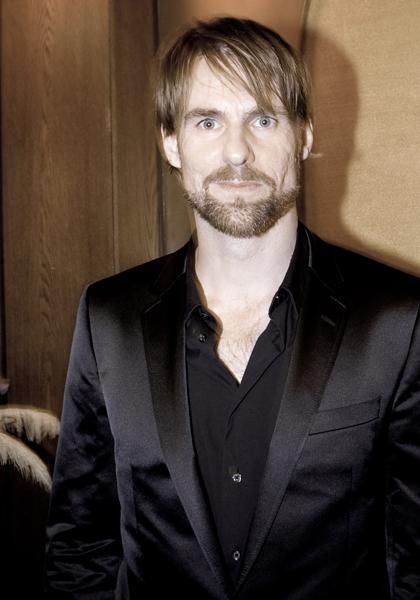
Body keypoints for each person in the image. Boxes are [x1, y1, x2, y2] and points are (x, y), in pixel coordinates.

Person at [45, 17, 420, 599]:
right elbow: (80, 549)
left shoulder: (398, 320)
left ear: (304, 135)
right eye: (208, 121)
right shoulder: (108, 319)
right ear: (171, 142)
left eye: (263, 119)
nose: (238, 151)